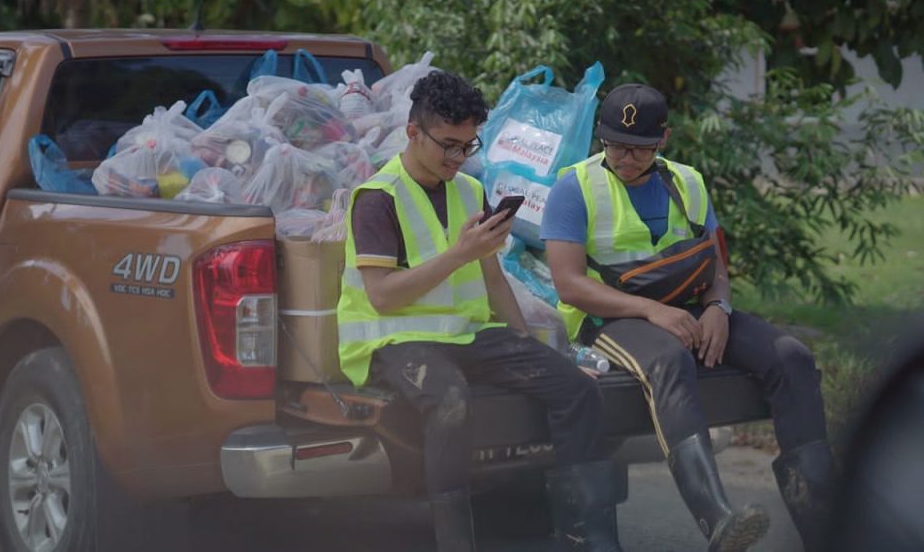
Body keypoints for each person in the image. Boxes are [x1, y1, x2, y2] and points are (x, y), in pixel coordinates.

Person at [541, 83, 835, 552]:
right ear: (601, 137)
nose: (625, 157)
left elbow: (715, 266)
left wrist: (719, 307)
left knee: (792, 357)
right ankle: (718, 520)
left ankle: (826, 527)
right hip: (607, 319)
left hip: (690, 306)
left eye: (639, 148)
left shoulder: (689, 182)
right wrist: (651, 310)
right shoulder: (573, 188)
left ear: (664, 139)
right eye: (615, 145)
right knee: (670, 360)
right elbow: (569, 284)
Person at [337, 71, 620, 552]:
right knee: (450, 401)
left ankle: (591, 538)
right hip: (394, 340)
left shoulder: (469, 191)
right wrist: (458, 255)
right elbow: (382, 296)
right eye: (448, 145)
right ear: (413, 133)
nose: (457, 157)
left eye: (467, 146)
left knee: (576, 389)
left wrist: (532, 351)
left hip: (466, 335)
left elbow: (492, 280)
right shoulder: (377, 198)